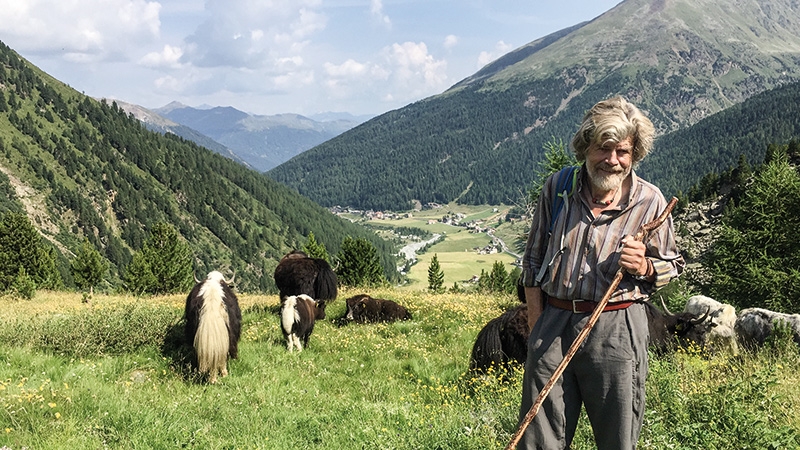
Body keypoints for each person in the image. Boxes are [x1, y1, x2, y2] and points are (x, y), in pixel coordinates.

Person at [517, 96, 684, 449]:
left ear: (634, 153)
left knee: (617, 436)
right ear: (585, 148)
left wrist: (645, 265)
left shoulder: (650, 202)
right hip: (554, 322)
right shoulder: (558, 188)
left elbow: (673, 265)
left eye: (622, 151)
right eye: (603, 149)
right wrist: (537, 327)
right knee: (539, 438)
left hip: (617, 328)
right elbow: (532, 262)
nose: (612, 160)